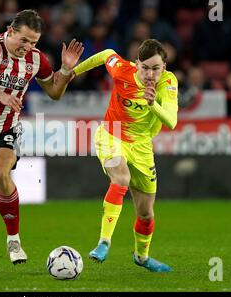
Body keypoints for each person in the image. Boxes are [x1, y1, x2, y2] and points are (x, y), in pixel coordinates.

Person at [0, 9, 83, 272]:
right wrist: (0, 95)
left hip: (6, 127)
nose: (28, 47)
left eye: (33, 42)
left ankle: (14, 240)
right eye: (23, 40)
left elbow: (55, 93)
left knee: (0, 173)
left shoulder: (36, 60)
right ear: (10, 31)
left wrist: (66, 70)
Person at [72, 39, 178, 272]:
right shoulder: (122, 70)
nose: (150, 74)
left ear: (164, 68)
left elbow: (171, 120)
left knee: (146, 214)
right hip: (112, 135)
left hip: (141, 146)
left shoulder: (168, 83)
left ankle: (142, 257)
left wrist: (152, 104)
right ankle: (104, 241)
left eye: (156, 68)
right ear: (136, 64)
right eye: (145, 67)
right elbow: (106, 54)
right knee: (120, 178)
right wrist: (74, 71)